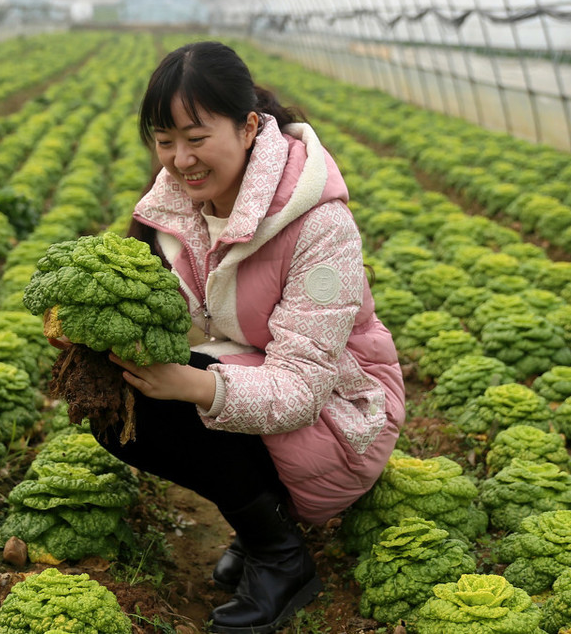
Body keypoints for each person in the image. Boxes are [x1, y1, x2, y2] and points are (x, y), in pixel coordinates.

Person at [100, 41, 403, 633]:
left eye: (196, 136)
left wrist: (191, 382)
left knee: (167, 394)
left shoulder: (320, 223)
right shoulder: (173, 210)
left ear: (248, 128)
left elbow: (302, 389)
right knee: (117, 395)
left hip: (342, 417)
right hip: (252, 380)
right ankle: (260, 526)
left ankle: (280, 557)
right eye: (164, 140)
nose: (180, 158)